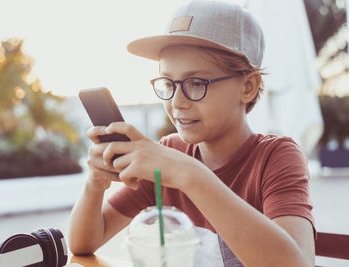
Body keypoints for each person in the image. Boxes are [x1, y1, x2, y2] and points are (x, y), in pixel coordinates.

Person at [69, 1, 316, 266]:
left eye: (196, 83)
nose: (176, 103)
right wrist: (94, 185)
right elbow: (84, 244)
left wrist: (190, 175)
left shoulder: (275, 157)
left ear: (248, 86)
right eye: (168, 83)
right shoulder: (169, 154)